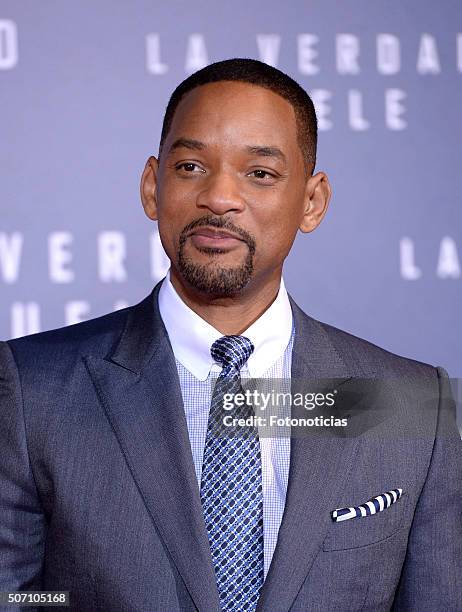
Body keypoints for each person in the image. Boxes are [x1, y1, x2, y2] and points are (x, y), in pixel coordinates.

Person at [0, 58, 461, 612]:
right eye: (191, 166)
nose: (219, 197)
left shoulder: (407, 405)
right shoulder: (30, 390)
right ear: (152, 187)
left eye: (260, 173)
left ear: (312, 202)